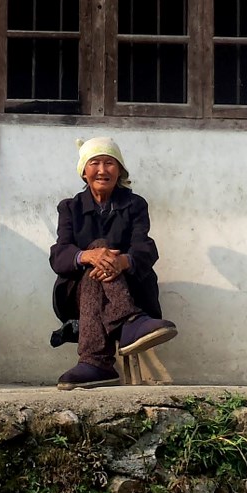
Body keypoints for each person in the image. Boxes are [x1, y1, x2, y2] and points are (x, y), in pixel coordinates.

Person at [49, 137, 177, 389]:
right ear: (84, 172)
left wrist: (123, 261)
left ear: (119, 171)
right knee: (95, 252)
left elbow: (144, 248)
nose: (102, 170)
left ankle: (96, 363)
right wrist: (87, 256)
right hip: (77, 299)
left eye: (109, 163)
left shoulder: (135, 204)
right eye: (94, 163)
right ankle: (130, 321)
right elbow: (59, 254)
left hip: (132, 289)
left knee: (99, 257)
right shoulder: (69, 208)